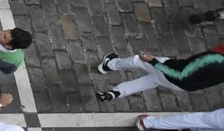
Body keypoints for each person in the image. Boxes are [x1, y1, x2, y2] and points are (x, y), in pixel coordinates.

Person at [92, 48, 224, 103]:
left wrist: (153, 61)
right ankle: (115, 93)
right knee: (150, 81)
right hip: (183, 86)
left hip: (169, 72)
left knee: (138, 60)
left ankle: (109, 64)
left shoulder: (214, 58)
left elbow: (180, 74)